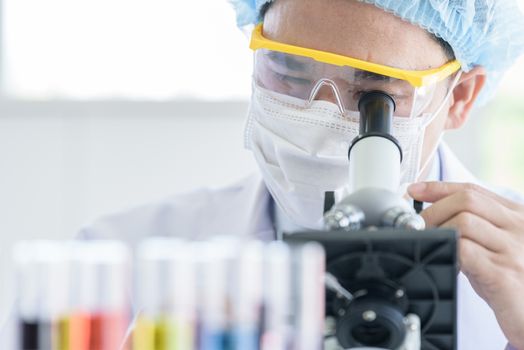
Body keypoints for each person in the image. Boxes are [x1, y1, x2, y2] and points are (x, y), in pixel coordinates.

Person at [78, 0, 524, 349]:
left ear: (461, 96)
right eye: (288, 72)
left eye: (373, 93)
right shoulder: (116, 260)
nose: (320, 115)